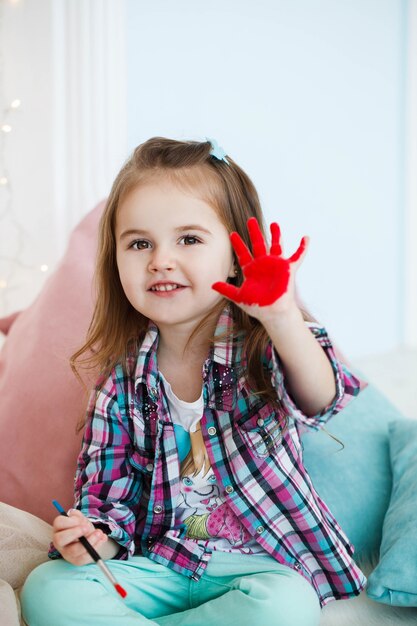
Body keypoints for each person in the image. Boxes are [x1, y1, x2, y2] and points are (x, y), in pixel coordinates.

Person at [21, 137, 366, 626]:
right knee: (48, 589)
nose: (160, 260)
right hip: (158, 562)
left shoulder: (261, 346)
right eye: (140, 243)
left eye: (188, 239)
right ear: (114, 260)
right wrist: (96, 535)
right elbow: (108, 494)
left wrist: (283, 317)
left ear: (233, 256)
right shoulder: (120, 383)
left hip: (257, 569)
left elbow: (322, 399)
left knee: (287, 609)